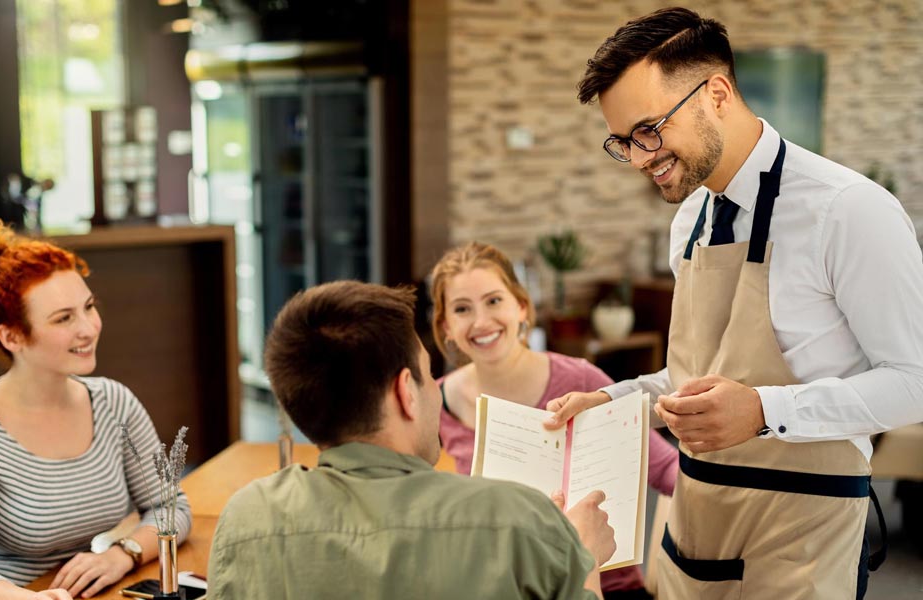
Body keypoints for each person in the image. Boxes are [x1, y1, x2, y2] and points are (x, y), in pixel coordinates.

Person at [542, 7, 923, 600]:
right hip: (694, 524)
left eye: (649, 130)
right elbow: (697, 376)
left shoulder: (849, 210)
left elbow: (913, 382)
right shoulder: (690, 216)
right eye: (623, 142)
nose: (640, 158)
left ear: (715, 93)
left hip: (802, 535)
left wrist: (765, 411)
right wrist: (614, 400)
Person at [207, 281, 617, 600]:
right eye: (426, 373)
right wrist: (584, 559)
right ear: (406, 391)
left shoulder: (248, 519)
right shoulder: (518, 518)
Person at [0, 218, 192, 600]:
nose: (89, 328)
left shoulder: (115, 404)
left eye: (88, 307)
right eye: (64, 318)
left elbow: (170, 508)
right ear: (12, 336)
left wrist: (121, 554)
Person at [430, 241, 679, 600]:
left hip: (606, 587)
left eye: (494, 301)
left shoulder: (581, 382)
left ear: (521, 306)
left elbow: (666, 467)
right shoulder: (435, 403)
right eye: (462, 308)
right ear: (446, 326)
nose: (481, 321)